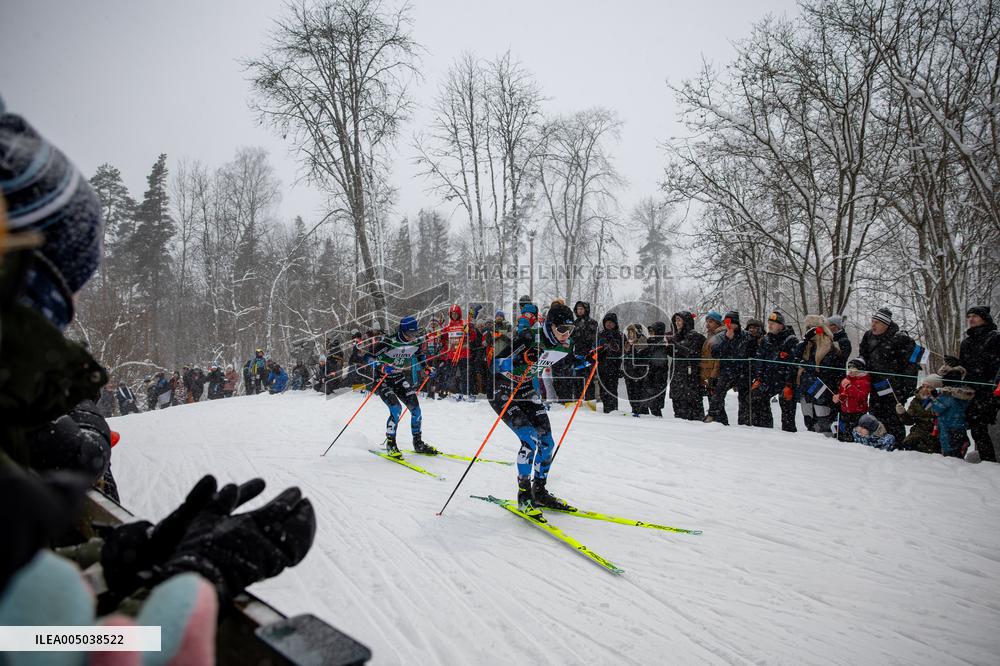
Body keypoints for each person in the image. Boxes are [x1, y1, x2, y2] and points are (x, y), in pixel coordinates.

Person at [489, 302, 576, 517]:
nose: (567, 334)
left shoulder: (564, 343)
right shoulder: (530, 336)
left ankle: (539, 491)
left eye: (570, 330)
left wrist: (592, 358)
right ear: (550, 325)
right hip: (502, 388)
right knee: (529, 439)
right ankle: (524, 495)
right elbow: (495, 364)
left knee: (547, 442)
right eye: (563, 329)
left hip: (525, 387)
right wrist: (522, 357)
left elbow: (573, 362)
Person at [364, 316, 438, 459]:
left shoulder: (415, 342)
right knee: (396, 409)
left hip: (398, 378)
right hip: (382, 379)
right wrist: (382, 367)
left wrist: (426, 368)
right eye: (409, 334)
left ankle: (418, 443)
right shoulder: (388, 342)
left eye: (414, 334)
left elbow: (420, 355)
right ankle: (391, 444)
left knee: (416, 410)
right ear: (402, 331)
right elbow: (367, 357)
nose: (412, 337)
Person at [859, 308, 918, 443]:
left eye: (877, 323)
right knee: (875, 417)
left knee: (894, 420)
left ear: (886, 325)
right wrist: (859, 362)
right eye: (872, 321)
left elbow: (912, 365)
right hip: (875, 385)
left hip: (895, 388)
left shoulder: (899, 338)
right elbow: (863, 355)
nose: (873, 325)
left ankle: (896, 446)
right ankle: (876, 442)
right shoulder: (868, 336)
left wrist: (907, 389)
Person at [958, 306, 1000, 462]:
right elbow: (964, 367)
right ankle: (985, 461)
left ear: (984, 318)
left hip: (990, 390)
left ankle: (989, 462)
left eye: (975, 316)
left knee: (983, 428)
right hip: (971, 391)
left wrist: (993, 386)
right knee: (976, 429)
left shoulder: (995, 338)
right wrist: (956, 365)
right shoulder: (966, 342)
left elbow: (994, 364)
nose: (971, 319)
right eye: (969, 316)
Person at [794, 315, 844, 436]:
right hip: (807, 389)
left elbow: (823, 369)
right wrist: (805, 340)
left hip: (822, 391)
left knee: (823, 425)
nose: (809, 331)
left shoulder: (829, 346)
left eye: (811, 328)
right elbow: (796, 357)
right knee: (809, 421)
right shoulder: (807, 345)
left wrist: (806, 365)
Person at [750, 311, 798, 431]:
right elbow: (759, 360)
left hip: (785, 380)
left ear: (781, 325)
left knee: (787, 404)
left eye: (773, 323)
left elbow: (793, 366)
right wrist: (758, 379)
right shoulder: (766, 340)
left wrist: (789, 385)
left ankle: (789, 434)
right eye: (769, 323)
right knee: (756, 397)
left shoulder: (791, 340)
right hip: (768, 379)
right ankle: (764, 429)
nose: (770, 326)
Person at [709, 311, 756, 425]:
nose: (728, 325)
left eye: (730, 322)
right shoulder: (721, 336)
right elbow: (715, 353)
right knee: (718, 394)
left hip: (743, 372)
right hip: (727, 371)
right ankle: (714, 417)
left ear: (737, 323)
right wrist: (727, 339)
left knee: (745, 399)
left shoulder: (748, 337)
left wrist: (752, 373)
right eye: (726, 322)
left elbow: (754, 355)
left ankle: (744, 423)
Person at [666, 311, 706, 420]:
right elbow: (675, 353)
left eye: (679, 320)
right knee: (678, 409)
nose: (676, 322)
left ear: (686, 321)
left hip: (690, 377)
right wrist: (666, 347)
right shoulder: (676, 336)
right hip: (677, 376)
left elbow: (693, 354)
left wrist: (675, 345)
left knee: (694, 411)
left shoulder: (696, 337)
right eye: (675, 320)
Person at [931, 364, 975, 458]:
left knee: (950, 454)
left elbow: (937, 409)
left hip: (947, 428)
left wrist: (934, 398)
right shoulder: (962, 395)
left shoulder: (947, 396)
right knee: (957, 452)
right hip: (959, 427)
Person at [894, 374, 941, 453]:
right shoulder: (917, 400)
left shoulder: (942, 401)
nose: (925, 389)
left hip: (938, 433)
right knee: (909, 444)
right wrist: (902, 413)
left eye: (929, 387)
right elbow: (909, 421)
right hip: (919, 433)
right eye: (923, 386)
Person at [441, 304, 472, 399]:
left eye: (455, 313)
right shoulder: (448, 326)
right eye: (452, 314)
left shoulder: (464, 323)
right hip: (452, 354)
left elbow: (472, 337)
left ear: (459, 314)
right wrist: (441, 334)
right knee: (450, 374)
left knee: (464, 374)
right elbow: (443, 338)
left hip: (463, 353)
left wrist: (469, 331)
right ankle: (448, 392)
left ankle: (465, 393)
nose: (454, 315)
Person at [571, 301, 599, 400]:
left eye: (582, 308)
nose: (580, 310)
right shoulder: (574, 324)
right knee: (577, 379)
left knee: (589, 380)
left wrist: (593, 352)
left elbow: (595, 339)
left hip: (589, 355)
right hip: (577, 355)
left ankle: (590, 400)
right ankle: (578, 400)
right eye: (578, 308)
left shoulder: (593, 323)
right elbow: (571, 340)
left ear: (586, 309)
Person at [700, 311, 725, 421]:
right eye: (707, 321)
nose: (707, 324)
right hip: (709, 374)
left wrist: (713, 376)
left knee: (716, 401)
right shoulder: (710, 335)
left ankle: (720, 421)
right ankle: (716, 419)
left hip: (715, 375)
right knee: (713, 400)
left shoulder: (720, 336)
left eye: (711, 321)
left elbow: (717, 360)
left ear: (718, 323)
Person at [596, 313, 623, 413]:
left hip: (614, 366)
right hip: (602, 366)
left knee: (612, 389)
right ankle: (606, 408)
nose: (609, 324)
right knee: (603, 390)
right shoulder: (600, 334)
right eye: (607, 322)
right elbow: (595, 348)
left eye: (611, 322)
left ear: (615, 323)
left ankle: (613, 409)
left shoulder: (620, 335)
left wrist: (621, 368)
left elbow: (623, 352)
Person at [623, 324, 650, 416]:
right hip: (629, 373)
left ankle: (642, 412)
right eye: (629, 333)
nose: (631, 335)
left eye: (633, 332)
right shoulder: (627, 344)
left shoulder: (643, 343)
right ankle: (634, 410)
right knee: (631, 394)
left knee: (640, 394)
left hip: (639, 374)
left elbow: (643, 359)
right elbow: (625, 358)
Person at [645, 322, 671, 417]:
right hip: (651, 374)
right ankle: (656, 419)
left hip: (659, 376)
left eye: (653, 330)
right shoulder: (650, 341)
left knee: (655, 403)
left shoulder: (664, 342)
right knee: (650, 401)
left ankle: (658, 420)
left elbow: (659, 360)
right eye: (650, 331)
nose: (651, 333)